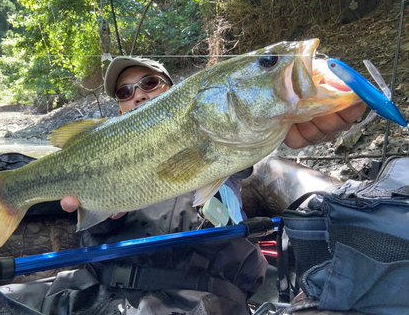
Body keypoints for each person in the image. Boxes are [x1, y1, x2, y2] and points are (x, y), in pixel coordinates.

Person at [44, 56, 366, 314]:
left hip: (202, 298)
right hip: (105, 293)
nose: (138, 94)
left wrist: (292, 111)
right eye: (125, 93)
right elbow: (93, 235)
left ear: (175, 91)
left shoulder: (220, 139)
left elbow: (243, 139)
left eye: (150, 82)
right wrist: (99, 214)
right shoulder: (102, 159)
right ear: (119, 109)